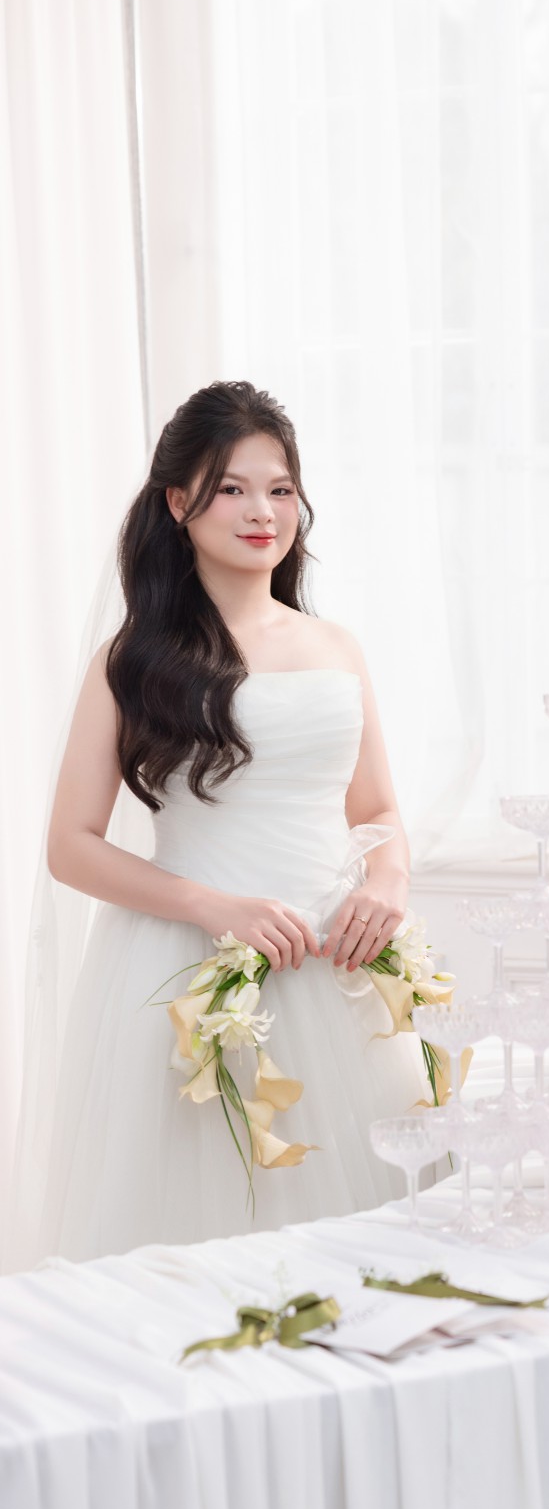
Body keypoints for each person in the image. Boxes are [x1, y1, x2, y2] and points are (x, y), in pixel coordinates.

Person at [12, 379, 438, 1265]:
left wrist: (388, 883)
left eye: (279, 489)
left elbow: (377, 810)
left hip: (334, 962)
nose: (262, 512)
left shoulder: (335, 647)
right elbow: (70, 847)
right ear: (179, 502)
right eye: (233, 488)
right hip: (183, 962)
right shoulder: (132, 661)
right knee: (200, 1228)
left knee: (368, 1245)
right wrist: (213, 907)